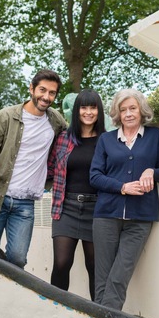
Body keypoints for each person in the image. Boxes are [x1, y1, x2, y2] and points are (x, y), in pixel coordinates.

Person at [0, 69, 67, 268]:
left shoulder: (56, 121)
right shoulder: (6, 116)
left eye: (52, 93)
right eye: (42, 90)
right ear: (31, 88)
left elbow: (73, 141)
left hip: (25, 204)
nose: (46, 97)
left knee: (17, 259)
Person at [89, 88, 159, 310]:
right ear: (117, 114)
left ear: (141, 110)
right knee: (102, 277)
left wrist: (152, 172)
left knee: (119, 277)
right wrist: (122, 187)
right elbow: (95, 176)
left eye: (132, 108)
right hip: (106, 215)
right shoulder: (106, 140)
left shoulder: (154, 136)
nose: (128, 113)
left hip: (141, 217)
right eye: (122, 109)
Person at [47, 89, 106, 299]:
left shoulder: (107, 140)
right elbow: (50, 168)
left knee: (94, 267)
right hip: (66, 208)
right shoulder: (63, 138)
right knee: (62, 263)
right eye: (84, 107)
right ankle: (55, 310)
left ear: (99, 111)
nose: (88, 112)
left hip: (97, 210)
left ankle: (98, 314)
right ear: (77, 110)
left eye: (93, 107)